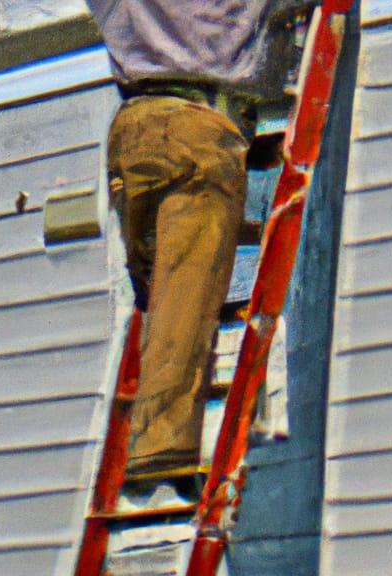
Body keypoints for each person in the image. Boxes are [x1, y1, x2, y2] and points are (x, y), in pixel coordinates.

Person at [86, 0, 313, 478]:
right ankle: (159, 447)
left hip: (133, 128)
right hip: (199, 130)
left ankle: (154, 431)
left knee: (160, 295)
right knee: (187, 297)